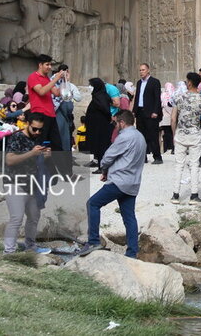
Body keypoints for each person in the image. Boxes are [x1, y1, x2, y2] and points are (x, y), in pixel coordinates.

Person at [81, 110, 147, 258]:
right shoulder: (140, 136)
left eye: (116, 123)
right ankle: (132, 252)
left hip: (119, 181)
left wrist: (104, 170)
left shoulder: (124, 137)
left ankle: (93, 241)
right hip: (133, 182)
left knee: (92, 204)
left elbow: (107, 157)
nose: (115, 126)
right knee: (129, 216)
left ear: (122, 123)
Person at [2, 112, 51, 254]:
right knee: (16, 218)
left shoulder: (37, 138)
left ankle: (31, 246)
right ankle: (8, 252)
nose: (37, 132)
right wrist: (31, 153)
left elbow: (36, 160)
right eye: (34, 129)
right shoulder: (17, 137)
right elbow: (10, 160)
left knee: (34, 217)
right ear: (28, 124)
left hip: (33, 184)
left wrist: (45, 156)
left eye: (40, 130)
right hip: (15, 182)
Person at [26, 55, 69, 176]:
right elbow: (41, 91)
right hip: (39, 114)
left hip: (50, 114)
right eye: (47, 65)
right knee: (39, 143)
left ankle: (65, 173)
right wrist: (55, 79)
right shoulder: (33, 77)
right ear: (40, 65)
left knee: (57, 144)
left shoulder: (48, 79)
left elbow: (57, 93)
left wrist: (64, 80)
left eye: (50, 65)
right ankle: (35, 169)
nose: (49, 67)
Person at [170, 72, 201, 204]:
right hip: (195, 134)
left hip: (181, 133)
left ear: (190, 82)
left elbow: (173, 118)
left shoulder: (179, 97)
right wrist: (198, 123)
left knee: (178, 165)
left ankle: (175, 194)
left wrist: (174, 133)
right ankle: (194, 194)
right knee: (194, 164)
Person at [132, 63, 163, 164]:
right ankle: (142, 157)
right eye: (140, 70)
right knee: (141, 136)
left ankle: (157, 157)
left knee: (153, 135)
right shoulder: (139, 83)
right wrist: (134, 110)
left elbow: (157, 98)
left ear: (148, 70)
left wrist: (155, 111)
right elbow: (137, 97)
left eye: (143, 70)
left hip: (150, 113)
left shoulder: (154, 82)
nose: (141, 72)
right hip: (140, 112)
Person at [85, 78, 114, 170]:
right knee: (98, 146)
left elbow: (105, 109)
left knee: (101, 146)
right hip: (96, 125)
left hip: (100, 126)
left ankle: (102, 167)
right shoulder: (98, 95)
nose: (90, 87)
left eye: (91, 85)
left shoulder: (100, 96)